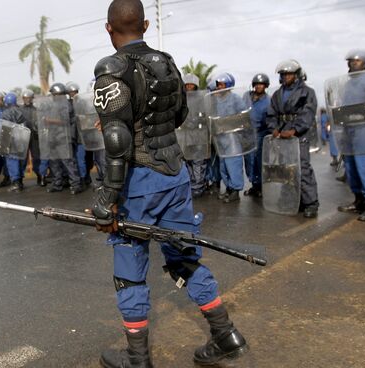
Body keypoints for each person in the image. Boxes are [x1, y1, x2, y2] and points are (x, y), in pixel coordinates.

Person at [92, 1, 247, 366]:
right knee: (184, 257)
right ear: (145, 24)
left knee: (129, 270)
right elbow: (178, 114)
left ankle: (138, 358)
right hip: (174, 174)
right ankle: (226, 334)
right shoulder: (166, 61)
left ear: (108, 28)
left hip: (138, 182)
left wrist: (106, 200)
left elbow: (118, 144)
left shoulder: (109, 69)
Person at [334, 49, 365, 221]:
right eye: (350, 61)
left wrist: (360, 116)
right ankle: (358, 201)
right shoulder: (347, 84)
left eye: (357, 61)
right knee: (352, 169)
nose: (352, 64)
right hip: (349, 133)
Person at [266, 59, 319, 218]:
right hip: (281, 136)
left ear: (296, 75)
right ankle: (292, 200)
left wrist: (295, 129)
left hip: (298, 136)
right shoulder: (277, 94)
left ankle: (310, 203)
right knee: (285, 170)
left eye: (288, 74)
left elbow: (308, 113)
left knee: (302, 168)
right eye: (283, 74)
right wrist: (273, 128)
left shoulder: (307, 92)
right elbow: (271, 114)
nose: (285, 77)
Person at [213, 72, 248, 203]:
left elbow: (243, 116)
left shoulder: (236, 99)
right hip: (220, 138)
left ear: (227, 85)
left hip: (232, 137)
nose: (218, 87)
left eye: (221, 84)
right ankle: (228, 188)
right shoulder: (215, 99)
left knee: (233, 164)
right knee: (223, 165)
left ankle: (235, 190)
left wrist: (229, 123)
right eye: (218, 85)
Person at [46, 82, 83, 194]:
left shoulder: (67, 105)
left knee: (68, 162)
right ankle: (58, 183)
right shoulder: (52, 105)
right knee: (54, 162)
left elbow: (65, 121)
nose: (54, 96)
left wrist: (49, 121)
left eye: (56, 94)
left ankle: (76, 184)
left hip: (64, 137)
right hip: (53, 137)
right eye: (53, 94)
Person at [243, 73, 271, 198]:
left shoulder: (268, 101)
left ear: (265, 86)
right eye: (257, 84)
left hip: (261, 133)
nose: (259, 86)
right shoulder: (247, 97)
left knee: (259, 161)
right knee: (249, 161)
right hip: (247, 133)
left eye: (262, 84)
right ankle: (254, 184)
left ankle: (260, 186)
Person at [181, 73, 209, 198]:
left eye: (191, 84)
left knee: (199, 161)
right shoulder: (181, 98)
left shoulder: (202, 98)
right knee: (188, 161)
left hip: (199, 135)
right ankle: (192, 184)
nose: (189, 87)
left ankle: (198, 186)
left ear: (196, 85)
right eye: (187, 84)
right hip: (186, 135)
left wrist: (197, 120)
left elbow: (207, 114)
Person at [19, 89, 49, 187]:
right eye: (25, 98)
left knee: (37, 157)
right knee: (22, 158)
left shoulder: (36, 110)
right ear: (23, 98)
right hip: (23, 137)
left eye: (29, 98)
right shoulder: (19, 110)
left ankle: (40, 176)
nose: (27, 99)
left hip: (35, 137)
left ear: (32, 98)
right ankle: (19, 179)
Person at [1, 92, 30, 192]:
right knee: (21, 160)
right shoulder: (21, 111)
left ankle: (16, 183)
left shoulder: (5, 113)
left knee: (12, 161)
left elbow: (6, 128)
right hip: (22, 140)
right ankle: (20, 181)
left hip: (11, 140)